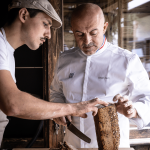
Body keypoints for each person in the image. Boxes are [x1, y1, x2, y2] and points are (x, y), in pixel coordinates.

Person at [0, 0, 109, 147]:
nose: (49, 35)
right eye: (45, 24)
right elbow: (12, 104)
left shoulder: (7, 51)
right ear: (24, 15)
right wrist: (73, 108)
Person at [50, 3, 150, 148]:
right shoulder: (64, 59)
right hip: (71, 145)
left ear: (104, 27)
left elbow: (147, 97)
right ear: (72, 30)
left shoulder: (127, 60)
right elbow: (56, 92)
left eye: (93, 33)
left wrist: (134, 110)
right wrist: (58, 108)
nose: (87, 41)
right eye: (80, 34)